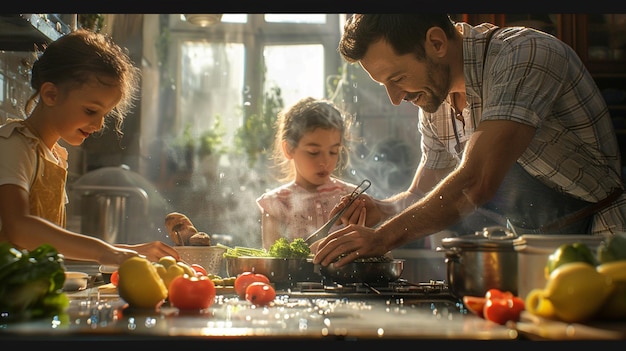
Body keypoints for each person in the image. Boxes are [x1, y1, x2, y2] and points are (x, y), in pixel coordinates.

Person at [313, 14, 626, 267]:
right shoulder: (435, 103)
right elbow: (422, 194)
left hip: (604, 243)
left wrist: (381, 239)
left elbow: (476, 181)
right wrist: (382, 208)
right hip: (534, 253)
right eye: (385, 85)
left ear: (436, 42)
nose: (395, 98)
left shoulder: (525, 55)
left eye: (397, 79)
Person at [0, 29, 180, 266]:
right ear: (51, 94)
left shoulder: (54, 157)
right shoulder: (13, 144)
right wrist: (108, 253)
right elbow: (19, 227)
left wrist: (130, 251)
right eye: (90, 111)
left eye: (104, 114)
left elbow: (54, 246)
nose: (98, 124)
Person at [256, 97, 367, 250]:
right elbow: (274, 262)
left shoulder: (350, 196)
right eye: (314, 152)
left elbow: (372, 250)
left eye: (333, 152)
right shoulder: (276, 204)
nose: (325, 161)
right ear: (289, 149)